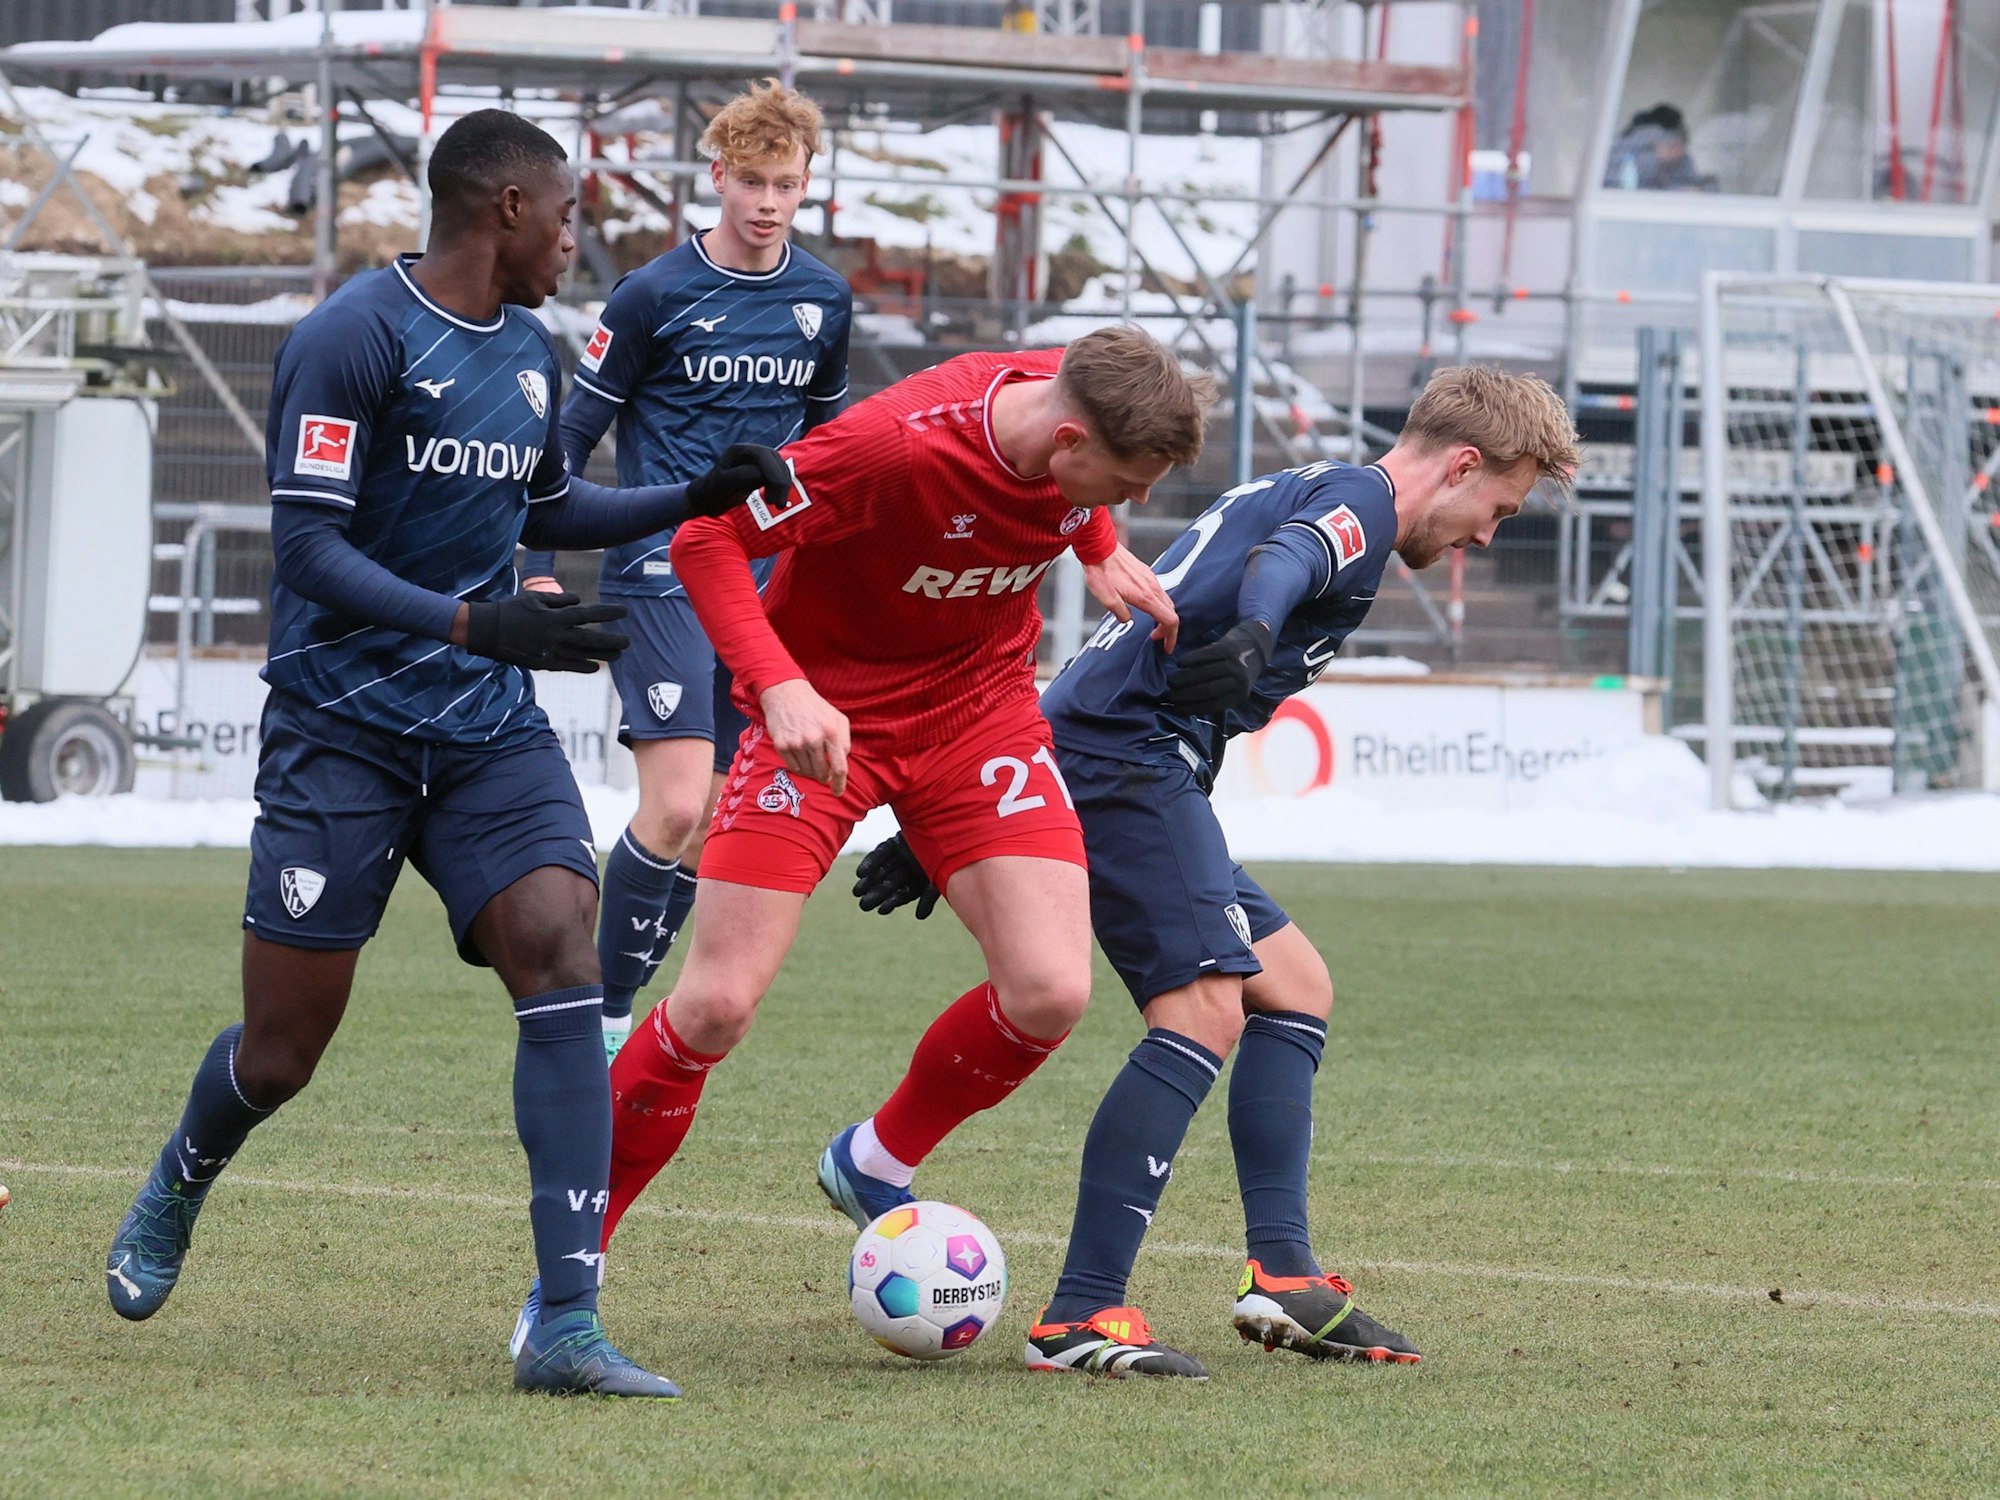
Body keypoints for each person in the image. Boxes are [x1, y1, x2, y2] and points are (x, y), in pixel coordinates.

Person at [102, 109, 789, 1400]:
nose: (576, 241)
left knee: (564, 957)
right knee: (281, 1053)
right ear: (508, 210)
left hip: (482, 729)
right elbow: (304, 551)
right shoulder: (350, 337)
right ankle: (180, 1179)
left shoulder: (526, 349)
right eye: (570, 215)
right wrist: (482, 620)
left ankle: (570, 1324)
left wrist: (689, 499)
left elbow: (547, 507)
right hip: (339, 733)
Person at [855, 366, 1580, 1377]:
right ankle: (1080, 1315)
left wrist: (987, 802)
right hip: (1128, 760)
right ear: (1459, 464)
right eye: (1495, 507)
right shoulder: (1360, 509)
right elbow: (1287, 564)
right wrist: (1253, 628)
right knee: (1202, 1010)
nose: (1486, 536)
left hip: (1111, 753)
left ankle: (1281, 1273)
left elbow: (1140, 635)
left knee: (1295, 988)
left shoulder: (1313, 483)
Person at [543, 326, 1211, 1353]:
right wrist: (779, 685)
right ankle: (568, 1280)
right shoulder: (891, 448)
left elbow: (1070, 497)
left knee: (1050, 990)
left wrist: (1095, 543)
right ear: (1067, 434)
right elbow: (705, 542)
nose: (1121, 504)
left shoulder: (1072, 439)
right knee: (714, 1005)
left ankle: (874, 1161)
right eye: (1118, 486)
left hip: (975, 716)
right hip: (821, 722)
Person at [517, 81, 852, 1063]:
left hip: (767, 591)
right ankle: (605, 1011)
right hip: (660, 574)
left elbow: (831, 448)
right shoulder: (653, 294)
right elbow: (570, 439)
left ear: (804, 187)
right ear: (715, 176)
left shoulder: (821, 299)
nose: (765, 201)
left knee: (715, 827)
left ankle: (622, 1000)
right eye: (749, 180)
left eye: (784, 184)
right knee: (672, 805)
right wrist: (539, 563)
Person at [1604, 103, 1712, 192]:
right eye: (1672, 144)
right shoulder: (1631, 151)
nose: (1678, 151)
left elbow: (1691, 184)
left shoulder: (1683, 159)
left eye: (1680, 145)